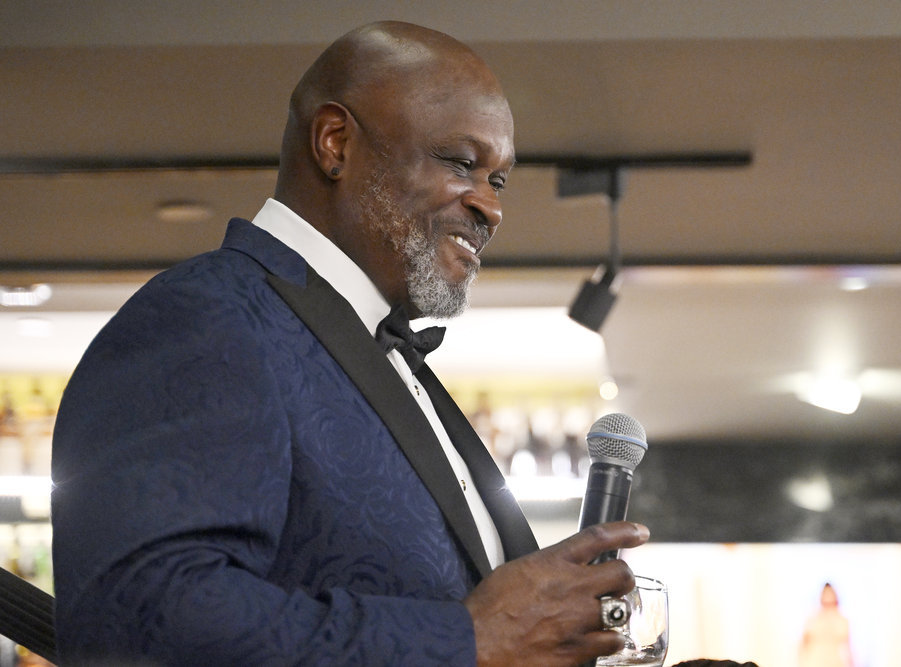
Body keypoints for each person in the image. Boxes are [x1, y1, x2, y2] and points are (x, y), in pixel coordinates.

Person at [50, 21, 650, 666]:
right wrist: (467, 640)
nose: (490, 207)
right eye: (460, 163)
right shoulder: (208, 316)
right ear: (335, 143)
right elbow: (138, 619)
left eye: (498, 180)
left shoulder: (380, 353)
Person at [799, 583, 854, 667]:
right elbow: (803, 645)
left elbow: (848, 648)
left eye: (831, 602)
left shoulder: (842, 620)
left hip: (835, 663)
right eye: (826, 603)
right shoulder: (812, 620)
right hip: (815, 662)